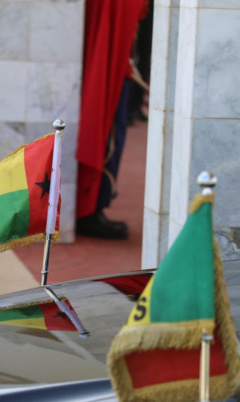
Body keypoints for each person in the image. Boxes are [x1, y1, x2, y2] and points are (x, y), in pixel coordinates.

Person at [75, 0, 149, 240]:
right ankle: (91, 207)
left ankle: (95, 204)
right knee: (108, 130)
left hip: (118, 60)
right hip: (112, 62)